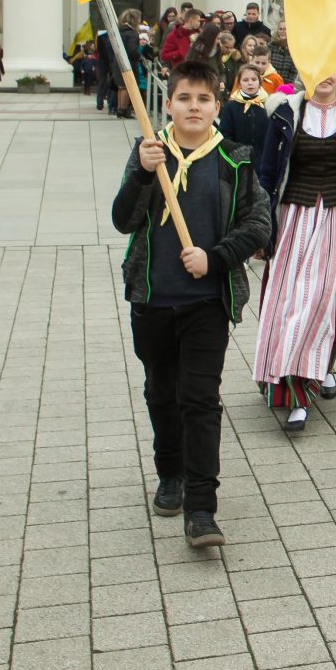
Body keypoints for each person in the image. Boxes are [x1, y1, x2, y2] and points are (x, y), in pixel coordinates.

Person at [113, 60, 270, 547]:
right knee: (162, 392)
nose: (194, 107)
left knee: (199, 400)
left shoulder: (236, 160)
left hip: (206, 303)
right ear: (170, 103)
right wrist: (142, 173)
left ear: (217, 107)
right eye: (184, 98)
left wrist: (216, 257)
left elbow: (259, 224)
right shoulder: (150, 153)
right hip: (154, 301)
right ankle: (171, 473)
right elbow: (123, 220)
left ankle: (202, 509)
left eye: (203, 99)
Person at [253, 71, 336, 431]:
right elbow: (266, 173)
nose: (324, 75)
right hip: (294, 216)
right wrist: (262, 223)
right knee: (289, 303)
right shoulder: (284, 113)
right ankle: (292, 389)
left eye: (332, 67)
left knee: (326, 301)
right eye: (317, 66)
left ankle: (316, 368)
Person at [218, 61, 270, 161]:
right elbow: (224, 135)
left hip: (263, 162)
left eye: (254, 79)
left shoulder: (268, 105)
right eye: (245, 80)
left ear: (259, 82)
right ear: (240, 84)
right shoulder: (231, 106)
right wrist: (240, 151)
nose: (250, 83)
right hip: (238, 163)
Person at [269, 19, 297, 86]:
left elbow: (294, 71)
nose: (282, 31)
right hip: (270, 81)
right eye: (280, 29)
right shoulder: (271, 46)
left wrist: (288, 85)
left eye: (285, 29)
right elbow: (267, 65)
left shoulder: (293, 48)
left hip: (286, 83)